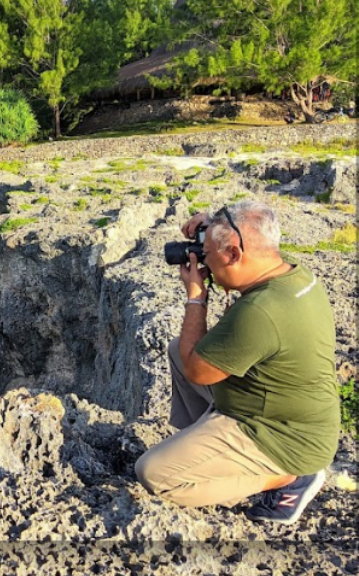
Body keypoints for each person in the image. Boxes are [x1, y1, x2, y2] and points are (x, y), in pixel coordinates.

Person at [135, 201, 340, 524]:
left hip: (282, 438)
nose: (204, 262)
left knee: (154, 473)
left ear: (233, 254)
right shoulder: (289, 273)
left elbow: (196, 371)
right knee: (179, 349)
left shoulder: (261, 311)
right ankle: (208, 447)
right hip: (290, 414)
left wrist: (196, 297)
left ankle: (290, 480)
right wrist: (213, 224)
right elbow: (250, 230)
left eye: (208, 255)